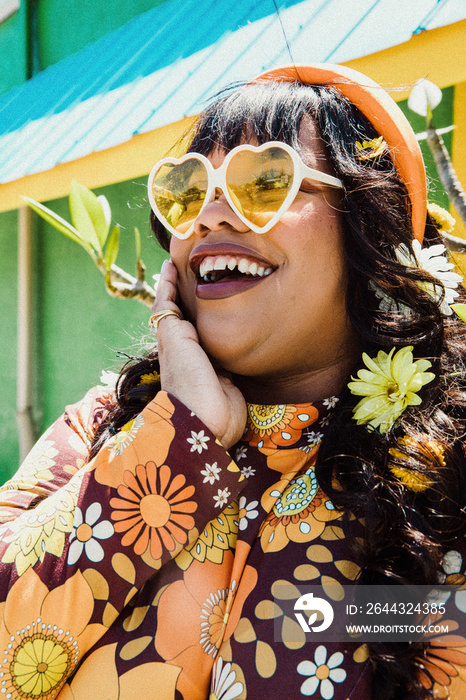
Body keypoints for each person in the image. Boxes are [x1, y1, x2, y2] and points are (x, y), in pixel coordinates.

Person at [1, 63, 466, 700]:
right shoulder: (101, 426)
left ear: (372, 224)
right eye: (188, 191)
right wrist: (176, 438)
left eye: (266, 179)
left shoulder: (438, 476)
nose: (211, 216)